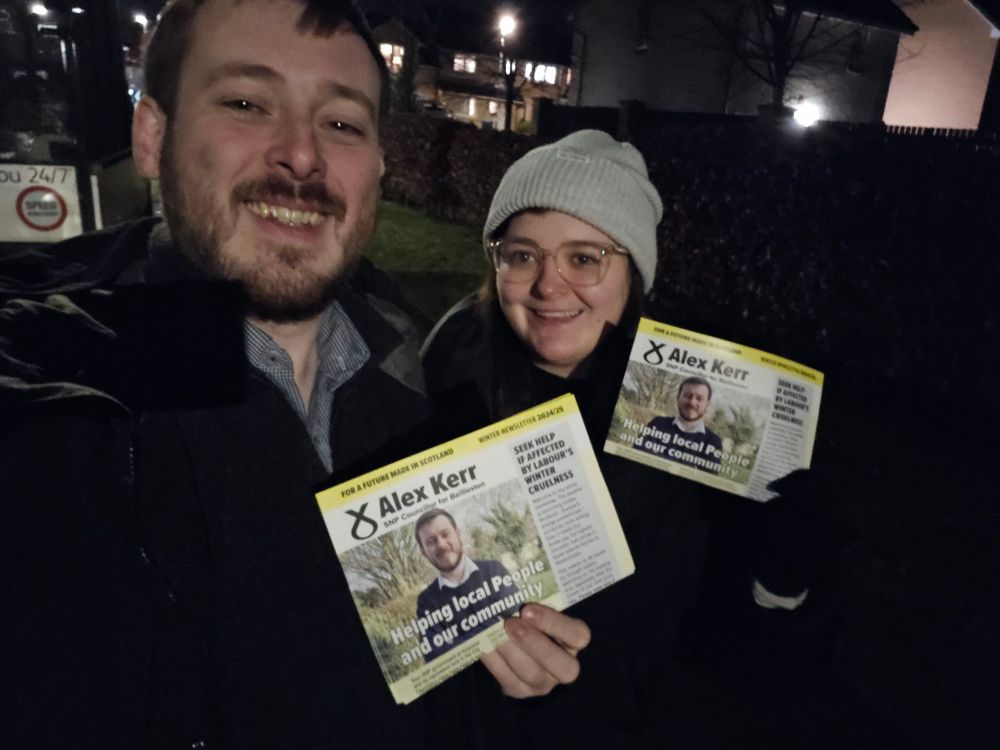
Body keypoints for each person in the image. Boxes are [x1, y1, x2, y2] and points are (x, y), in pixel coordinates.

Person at [0, 2, 585, 748]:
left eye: (341, 124)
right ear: (153, 135)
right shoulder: (52, 419)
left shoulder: (416, 371)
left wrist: (505, 675)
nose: (301, 156)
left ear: (378, 163)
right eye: (246, 103)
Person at [422, 130, 826, 748]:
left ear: (634, 272)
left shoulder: (710, 405)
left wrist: (784, 558)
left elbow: (756, 641)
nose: (549, 286)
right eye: (522, 254)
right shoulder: (442, 374)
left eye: (584, 258)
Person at [414, 509, 522, 661]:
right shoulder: (426, 602)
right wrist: (493, 624)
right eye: (431, 541)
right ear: (423, 552)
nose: (441, 545)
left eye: (445, 534)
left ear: (458, 534)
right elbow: (436, 657)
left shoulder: (493, 570)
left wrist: (457, 642)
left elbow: (518, 620)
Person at [636, 376, 725, 473]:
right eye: (687, 396)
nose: (692, 402)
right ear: (678, 398)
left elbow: (706, 482)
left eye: (699, 398)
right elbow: (638, 458)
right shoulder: (658, 424)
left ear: (707, 404)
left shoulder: (713, 442)